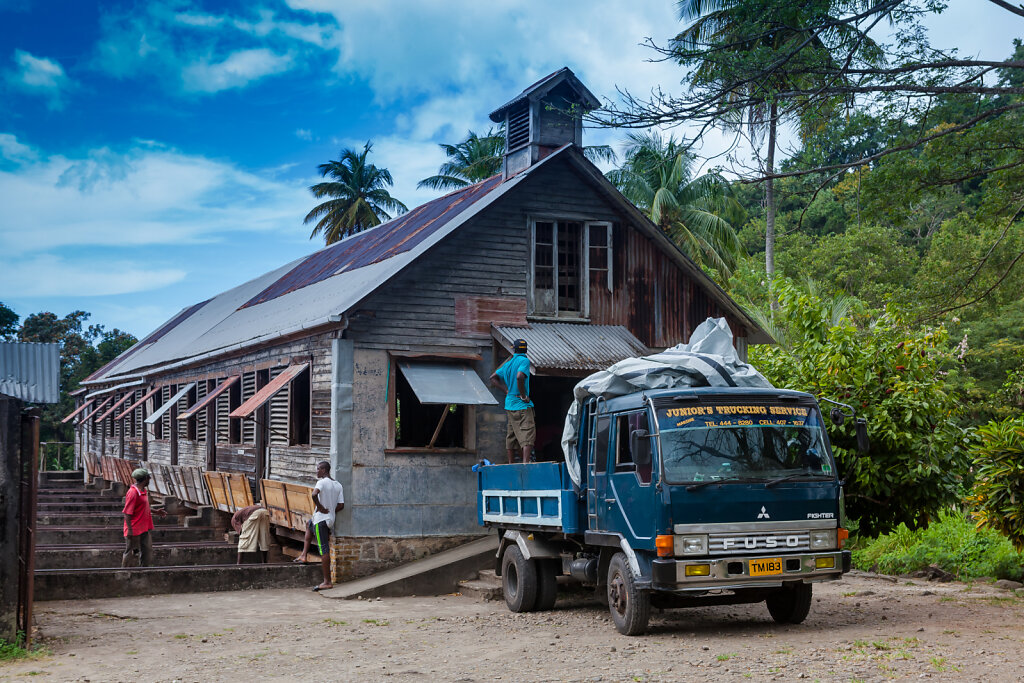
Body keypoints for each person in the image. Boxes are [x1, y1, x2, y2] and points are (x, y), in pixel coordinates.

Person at [296, 461, 344, 591]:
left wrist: (321, 508)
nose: (316, 471)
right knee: (308, 524)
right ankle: (304, 555)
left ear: (324, 470)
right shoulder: (338, 485)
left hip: (321, 520)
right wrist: (331, 510)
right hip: (328, 520)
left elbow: (314, 494)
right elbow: (341, 505)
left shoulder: (322, 483)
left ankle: (327, 582)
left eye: (318, 469)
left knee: (324, 549)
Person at [490, 338, 535, 464]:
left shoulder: (508, 363)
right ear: (525, 350)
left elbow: (492, 378)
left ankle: (511, 463)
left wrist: (505, 390)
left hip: (510, 405)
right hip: (521, 404)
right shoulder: (524, 361)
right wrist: (523, 396)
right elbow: (520, 376)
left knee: (512, 433)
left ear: (514, 349)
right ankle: (526, 463)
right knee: (528, 432)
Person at [122, 468, 166, 568]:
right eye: (149, 478)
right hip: (134, 528)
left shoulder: (143, 491)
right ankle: (124, 573)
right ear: (145, 479)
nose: (150, 479)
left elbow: (143, 507)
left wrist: (156, 511)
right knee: (130, 552)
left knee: (147, 551)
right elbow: (127, 513)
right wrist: (129, 529)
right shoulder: (133, 493)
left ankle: (144, 571)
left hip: (144, 527)